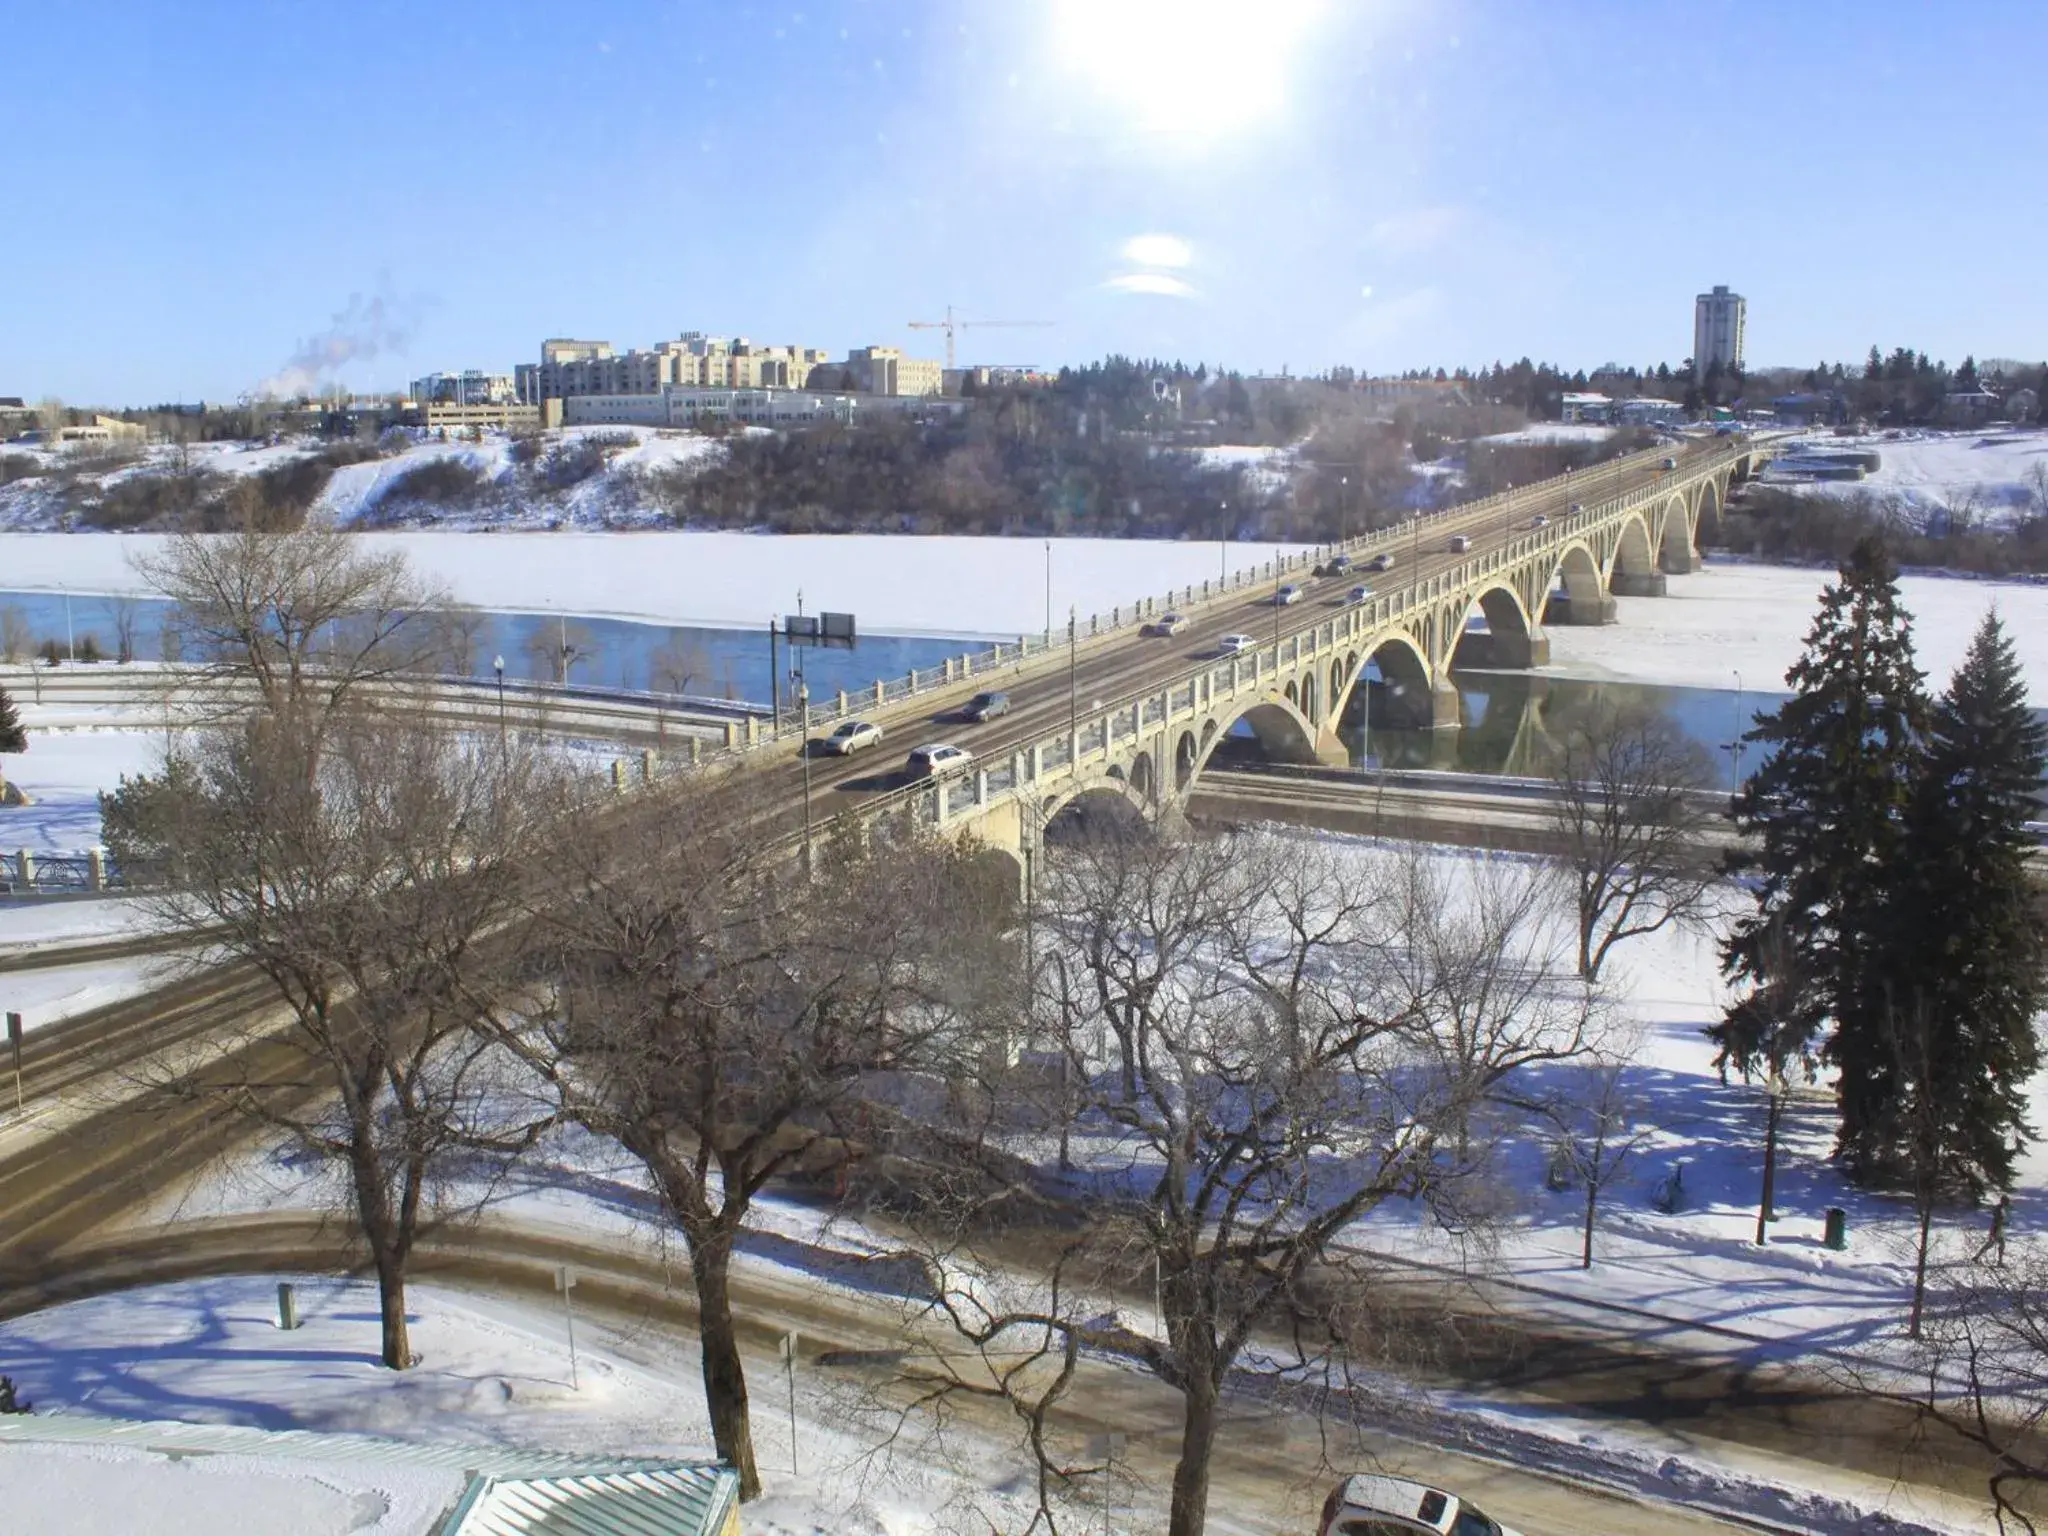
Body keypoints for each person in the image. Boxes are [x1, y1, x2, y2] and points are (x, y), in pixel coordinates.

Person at [1976, 1194, 2011, 1267]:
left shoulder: (2000, 1208)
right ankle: (1977, 1257)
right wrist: (2004, 1224)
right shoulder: (1999, 1209)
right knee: (1993, 1244)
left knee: (1998, 1244)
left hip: (1998, 1228)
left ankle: (1977, 1257)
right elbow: (1997, 1220)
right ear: (2003, 1201)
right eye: (2007, 1201)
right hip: (1996, 1229)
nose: (2008, 1203)